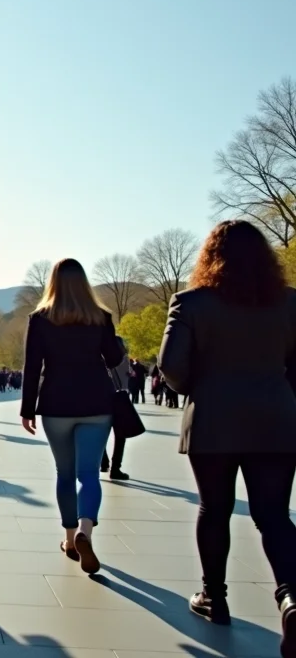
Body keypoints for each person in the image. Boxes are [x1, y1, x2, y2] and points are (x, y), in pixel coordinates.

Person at [158, 220, 296, 650]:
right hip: (276, 417)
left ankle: (213, 597)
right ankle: (291, 596)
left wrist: (202, 388)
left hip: (214, 417)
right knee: (274, 515)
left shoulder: (191, 303)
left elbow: (170, 366)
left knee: (214, 509)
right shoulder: (290, 303)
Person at [20, 258, 124, 576]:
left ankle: (68, 539)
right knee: (89, 474)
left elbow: (32, 366)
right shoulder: (101, 317)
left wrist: (27, 409)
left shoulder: (39, 319)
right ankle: (85, 531)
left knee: (64, 474)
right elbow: (114, 357)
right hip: (96, 403)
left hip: (55, 404)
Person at [100, 338, 133, 481]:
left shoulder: (99, 358)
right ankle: (115, 468)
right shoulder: (124, 359)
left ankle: (103, 461)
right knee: (121, 436)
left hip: (101, 398)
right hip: (120, 398)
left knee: (100, 434)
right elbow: (128, 375)